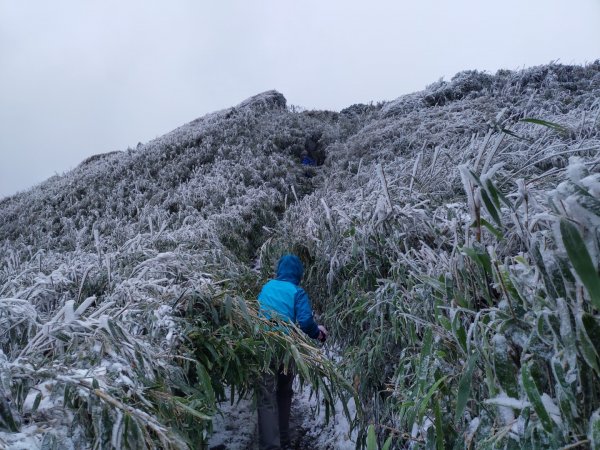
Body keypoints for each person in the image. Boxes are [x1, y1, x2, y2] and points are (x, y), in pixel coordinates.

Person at [256, 254, 328, 450]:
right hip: (285, 348)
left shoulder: (267, 286)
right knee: (284, 392)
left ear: (279, 271)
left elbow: (256, 312)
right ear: (298, 273)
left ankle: (270, 445)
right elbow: (305, 322)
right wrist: (318, 334)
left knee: (266, 396)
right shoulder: (297, 292)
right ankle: (284, 439)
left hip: (263, 346)